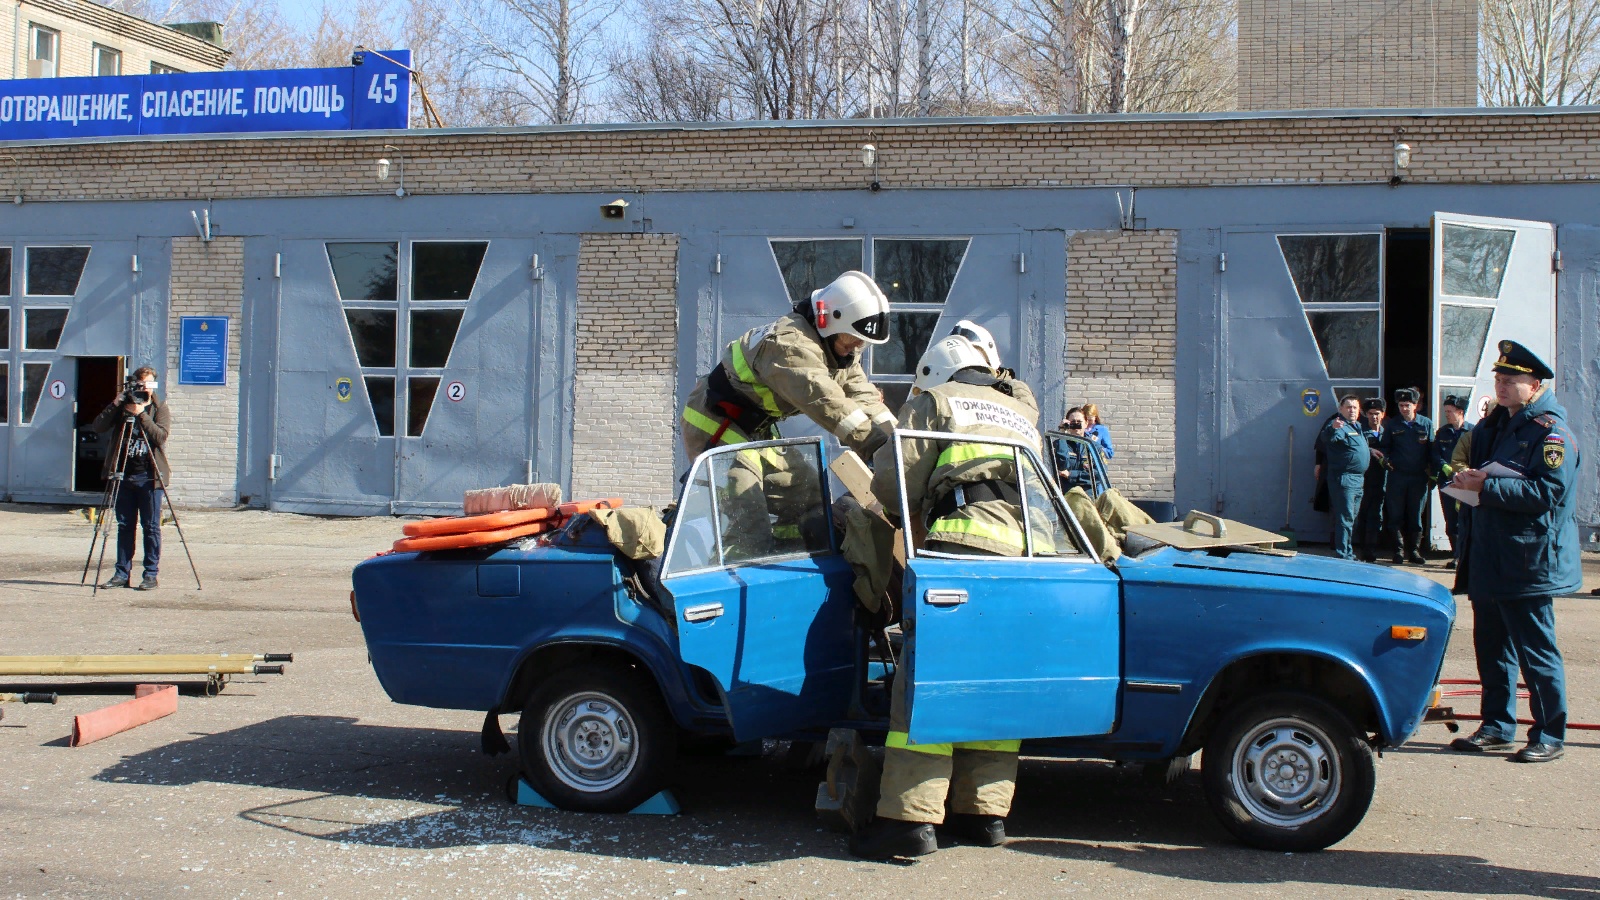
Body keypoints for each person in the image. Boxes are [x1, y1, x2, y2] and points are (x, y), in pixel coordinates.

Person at [852, 334, 1041, 859]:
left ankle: (906, 822)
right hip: (1032, 554)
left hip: (965, 543)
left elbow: (892, 487)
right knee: (993, 684)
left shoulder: (936, 402)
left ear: (938, 372)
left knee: (928, 683)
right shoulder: (1021, 409)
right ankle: (985, 815)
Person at [1448, 340, 1580, 764]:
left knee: (1535, 650)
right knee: (1492, 647)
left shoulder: (1550, 431)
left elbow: (1548, 491)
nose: (1502, 387)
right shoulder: (1500, 425)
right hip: (1490, 555)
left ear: (1535, 384)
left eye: (1511, 381)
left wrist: (1486, 487)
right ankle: (1497, 725)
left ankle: (1549, 733)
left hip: (1527, 560)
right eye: (1499, 379)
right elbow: (1477, 458)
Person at [680, 270, 895, 463]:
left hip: (756, 425)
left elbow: (862, 394)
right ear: (826, 321)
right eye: (852, 339)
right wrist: (878, 449)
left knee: (806, 493)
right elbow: (829, 404)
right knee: (742, 503)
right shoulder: (791, 347)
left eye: (862, 342)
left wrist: (900, 440)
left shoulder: (839, 348)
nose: (856, 347)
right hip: (716, 421)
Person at [91, 366, 171, 591]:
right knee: (125, 525)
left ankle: (150, 575)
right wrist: (116, 404)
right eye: (140, 384)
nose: (143, 388)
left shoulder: (158, 407)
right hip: (123, 475)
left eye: (148, 384)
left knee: (151, 527)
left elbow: (160, 436)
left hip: (149, 477)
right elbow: (98, 426)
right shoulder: (123, 406)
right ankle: (121, 574)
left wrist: (141, 414)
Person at [1379, 387, 1434, 565]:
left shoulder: (1426, 424)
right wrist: (1385, 460)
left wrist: (1433, 473)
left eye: (1407, 405)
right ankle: (1398, 551)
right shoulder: (1393, 424)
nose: (1404, 409)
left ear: (1415, 405)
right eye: (1401, 405)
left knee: (1415, 516)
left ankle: (1414, 551)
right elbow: (1385, 447)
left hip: (1418, 477)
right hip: (1397, 477)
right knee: (1395, 515)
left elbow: (1432, 450)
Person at [1319, 395, 1368, 561]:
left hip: (1358, 479)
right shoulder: (1338, 425)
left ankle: (1348, 551)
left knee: (1351, 518)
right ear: (1340, 409)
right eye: (1348, 407)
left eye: (1355, 407)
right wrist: (1332, 428)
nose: (1352, 410)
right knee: (1345, 517)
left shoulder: (1358, 426)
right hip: (1344, 479)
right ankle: (1343, 553)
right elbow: (1327, 439)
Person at [1432, 395, 1471, 568]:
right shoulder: (1443, 432)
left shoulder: (1472, 432)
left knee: (1466, 520)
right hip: (1447, 482)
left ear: (1460, 412)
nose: (1446, 414)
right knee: (1451, 520)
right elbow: (1435, 454)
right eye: (1445, 411)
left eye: (1450, 411)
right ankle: (1456, 555)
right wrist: (1445, 467)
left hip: (1466, 483)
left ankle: (1466, 556)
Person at [1354, 398, 1388, 563]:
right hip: (1366, 480)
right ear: (1365, 415)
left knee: (1378, 516)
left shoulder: (1388, 432)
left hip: (1385, 480)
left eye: (1377, 414)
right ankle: (1365, 550)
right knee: (1365, 516)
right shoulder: (1360, 431)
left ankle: (1374, 548)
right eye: (1370, 414)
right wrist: (1369, 449)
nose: (1374, 417)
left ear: (1383, 414)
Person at [1054, 408, 1097, 492]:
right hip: (1066, 494)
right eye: (1073, 422)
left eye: (1079, 422)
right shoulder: (1060, 443)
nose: (1076, 425)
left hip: (1088, 495)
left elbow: (1098, 475)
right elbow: (1062, 466)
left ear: (1086, 423)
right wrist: (1062, 433)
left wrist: (1071, 475)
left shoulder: (1094, 447)